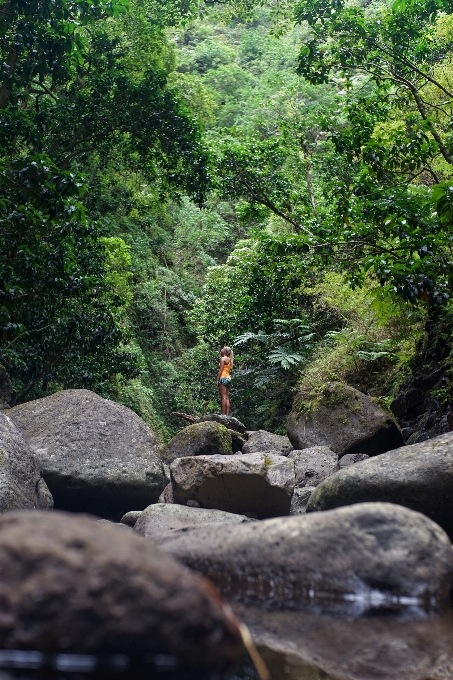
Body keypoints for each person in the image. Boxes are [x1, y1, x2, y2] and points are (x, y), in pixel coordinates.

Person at [217, 346, 234, 416]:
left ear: (225, 352)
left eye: (222, 349)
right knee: (226, 397)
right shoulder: (229, 359)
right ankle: (227, 415)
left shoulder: (222, 359)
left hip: (223, 378)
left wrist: (217, 380)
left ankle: (223, 414)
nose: (221, 350)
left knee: (223, 397)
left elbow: (220, 370)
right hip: (228, 378)